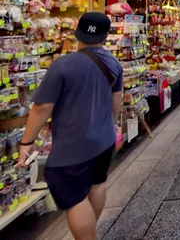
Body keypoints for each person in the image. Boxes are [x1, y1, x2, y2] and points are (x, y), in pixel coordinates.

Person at [18, 13, 122, 240]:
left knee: (74, 198)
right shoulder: (113, 63)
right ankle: (89, 230)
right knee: (97, 183)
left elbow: (42, 107)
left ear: (78, 33)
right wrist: (112, 125)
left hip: (73, 144)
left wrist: (26, 142)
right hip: (104, 140)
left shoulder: (62, 65)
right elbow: (117, 99)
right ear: (106, 36)